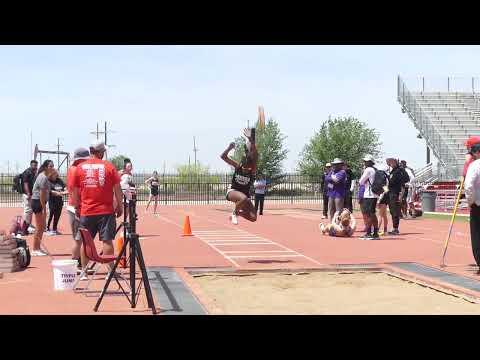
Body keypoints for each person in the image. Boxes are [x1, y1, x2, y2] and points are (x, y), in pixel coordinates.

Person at [71, 141, 123, 276]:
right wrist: (120, 206)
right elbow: (117, 189)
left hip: (87, 210)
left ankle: (83, 271)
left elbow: (74, 190)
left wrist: (77, 206)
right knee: (107, 240)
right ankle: (110, 271)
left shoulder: (80, 168)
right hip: (105, 211)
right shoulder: (109, 167)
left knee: (86, 241)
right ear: (100, 152)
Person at [220, 128, 257, 225]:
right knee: (244, 198)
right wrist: (229, 148)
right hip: (233, 192)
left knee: (253, 217)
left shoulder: (252, 170)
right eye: (244, 168)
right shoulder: (238, 166)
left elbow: (254, 153)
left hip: (245, 196)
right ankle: (234, 213)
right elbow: (223, 157)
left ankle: (238, 213)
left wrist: (251, 139)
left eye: (247, 169)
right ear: (242, 165)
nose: (245, 170)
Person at [66, 147, 90, 269]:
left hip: (75, 206)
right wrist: (77, 208)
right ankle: (75, 265)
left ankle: (79, 264)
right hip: (76, 207)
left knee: (80, 238)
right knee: (79, 239)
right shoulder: (76, 170)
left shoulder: (73, 169)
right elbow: (75, 191)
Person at [30, 165, 57, 256]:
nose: (53, 168)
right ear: (46, 167)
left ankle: (38, 247)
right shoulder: (43, 177)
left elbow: (47, 191)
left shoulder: (45, 177)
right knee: (39, 227)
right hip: (38, 202)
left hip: (39, 202)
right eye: (51, 166)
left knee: (41, 227)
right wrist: (44, 209)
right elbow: (41, 194)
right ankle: (35, 249)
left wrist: (59, 193)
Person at [465, 142, 480, 268]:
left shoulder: (474, 165)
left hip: (477, 204)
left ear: (476, 153)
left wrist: (470, 202)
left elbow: (469, 186)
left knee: (476, 234)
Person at [385, 157, 410, 235]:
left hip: (395, 193)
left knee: (395, 211)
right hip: (390, 192)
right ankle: (394, 227)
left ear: (395, 162)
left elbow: (406, 179)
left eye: (391, 161)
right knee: (392, 211)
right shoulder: (392, 171)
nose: (390, 163)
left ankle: (395, 228)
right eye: (389, 162)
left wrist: (402, 169)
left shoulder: (399, 171)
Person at [358, 155, 380, 239]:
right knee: (372, 214)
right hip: (374, 194)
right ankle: (375, 232)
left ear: (370, 162)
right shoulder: (375, 169)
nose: (364, 162)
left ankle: (368, 233)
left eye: (366, 161)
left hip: (368, 194)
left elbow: (361, 181)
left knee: (368, 214)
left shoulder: (368, 170)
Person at [46, 171, 68, 235]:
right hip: (51, 201)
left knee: (57, 216)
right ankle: (47, 229)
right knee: (50, 216)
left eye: (56, 174)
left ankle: (54, 229)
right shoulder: (48, 181)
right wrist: (61, 193)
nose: (55, 175)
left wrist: (66, 190)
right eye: (54, 174)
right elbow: (50, 191)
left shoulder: (59, 180)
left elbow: (65, 188)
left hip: (59, 202)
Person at [20, 160, 38, 235]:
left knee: (30, 211)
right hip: (27, 194)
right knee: (27, 211)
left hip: (31, 194)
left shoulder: (33, 172)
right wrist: (28, 193)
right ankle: (24, 227)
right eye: (34, 165)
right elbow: (25, 183)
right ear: (31, 165)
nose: (35, 167)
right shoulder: (27, 172)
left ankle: (28, 226)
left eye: (36, 165)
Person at [377, 166, 390, 236]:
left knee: (380, 215)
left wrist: (379, 200)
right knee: (384, 215)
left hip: (383, 197)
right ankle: (385, 230)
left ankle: (377, 230)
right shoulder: (386, 177)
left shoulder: (383, 179)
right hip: (386, 197)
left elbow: (385, 190)